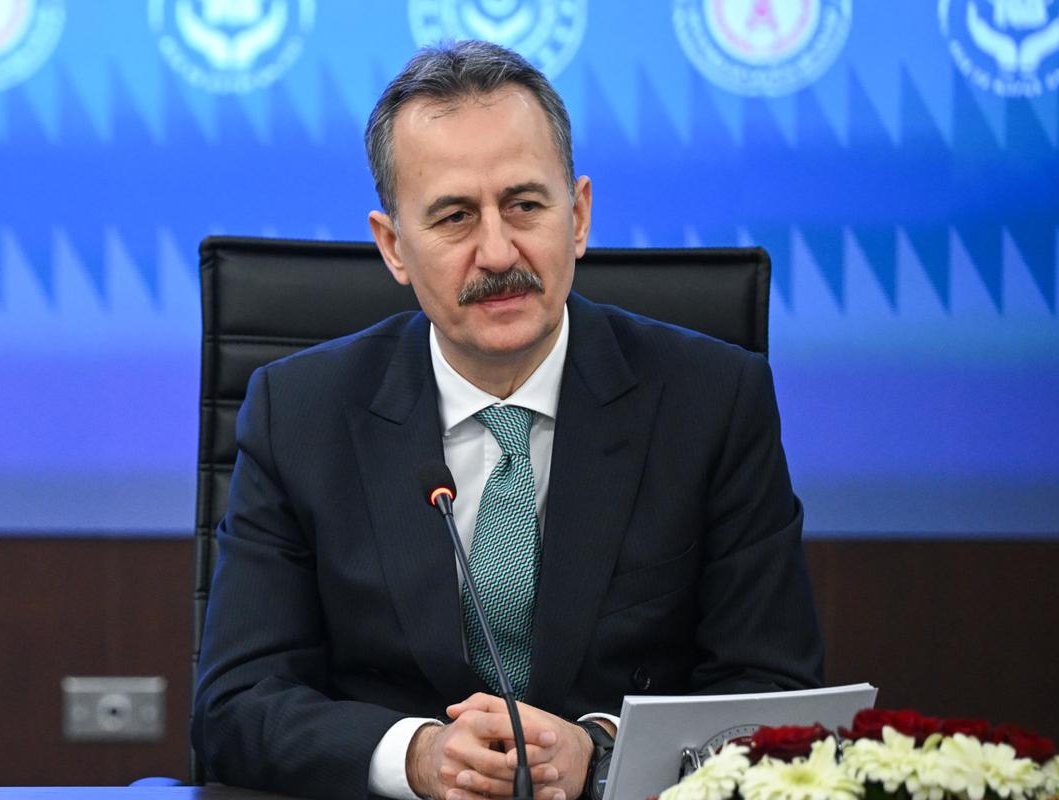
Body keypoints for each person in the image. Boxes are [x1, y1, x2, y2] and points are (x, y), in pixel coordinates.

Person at [192, 40, 823, 800]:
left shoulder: (713, 401)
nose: (497, 252)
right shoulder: (299, 414)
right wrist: (418, 755)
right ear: (394, 247)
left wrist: (601, 750)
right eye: (455, 217)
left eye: (525, 205)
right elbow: (236, 706)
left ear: (578, 217)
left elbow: (774, 689)